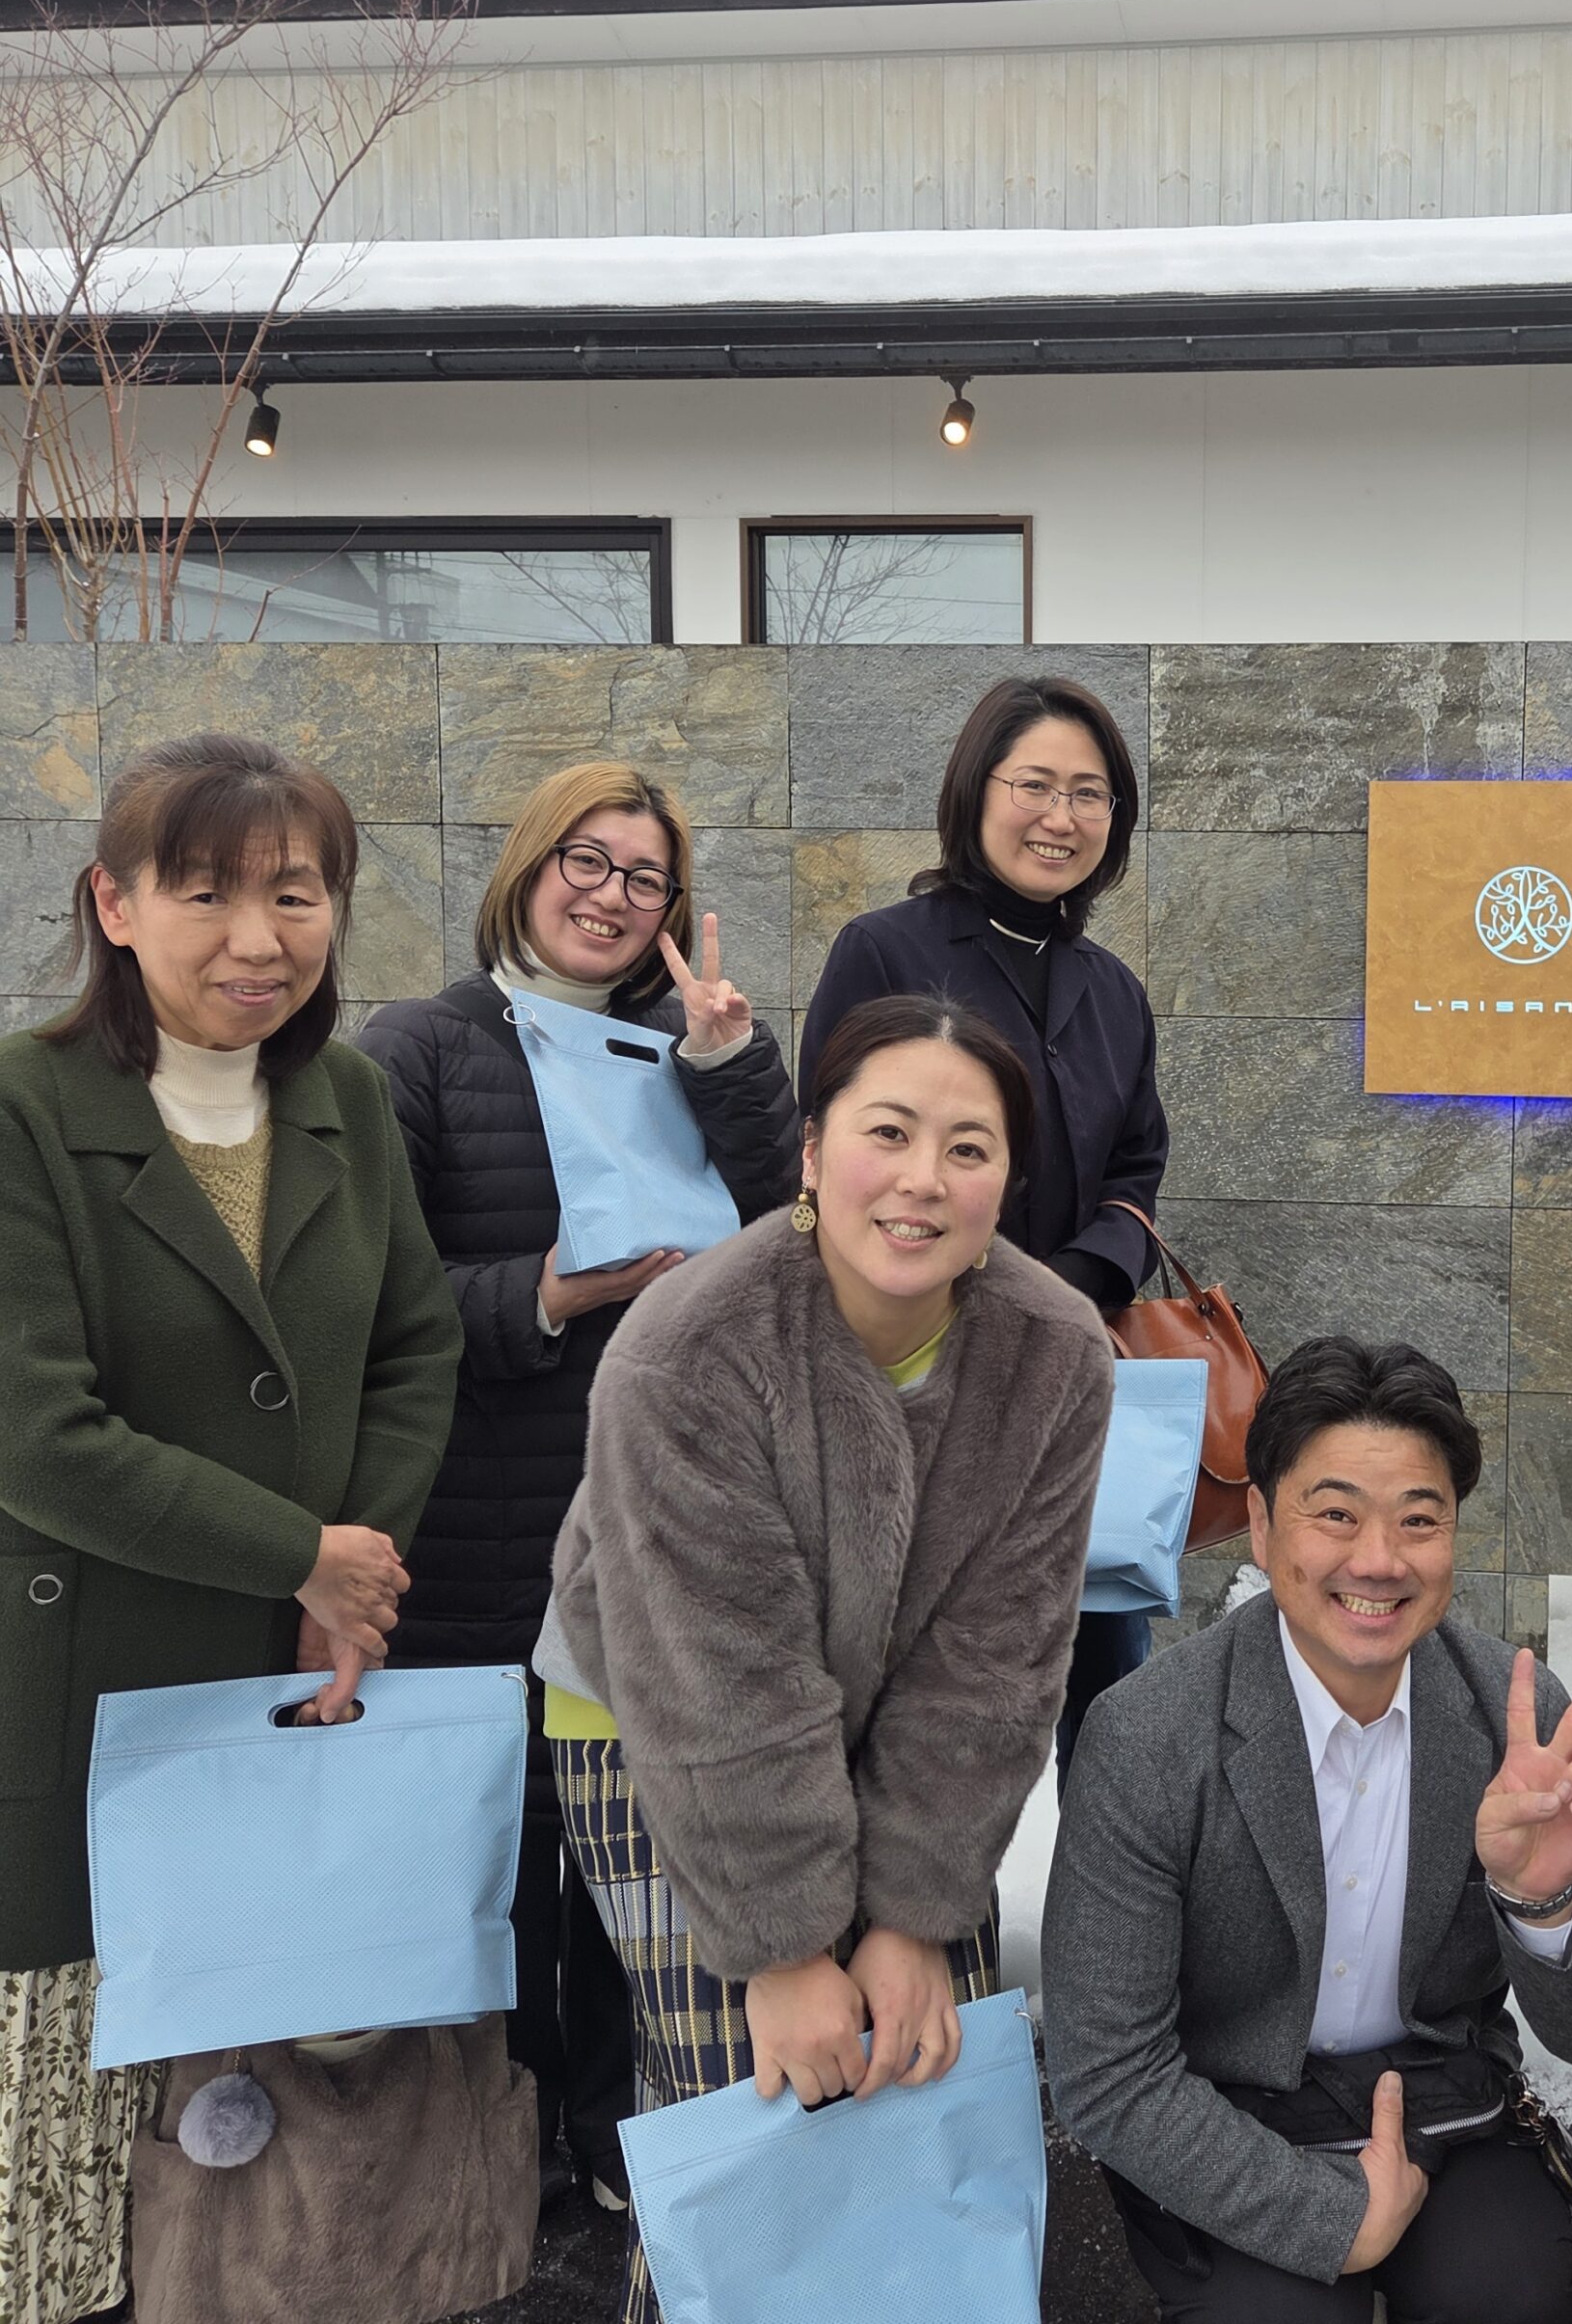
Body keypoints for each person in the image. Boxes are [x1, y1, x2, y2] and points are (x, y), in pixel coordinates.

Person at [533, 992, 1113, 2324]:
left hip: (906, 1718)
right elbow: (718, 1673)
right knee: (744, 2111)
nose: (922, 1180)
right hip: (658, 1720)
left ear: (1009, 1182)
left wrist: (912, 1916)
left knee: (916, 2070)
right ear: (810, 1149)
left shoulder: (1054, 1355)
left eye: (968, 1148)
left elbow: (998, 1658)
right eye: (887, 1132)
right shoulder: (689, 1346)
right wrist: (786, 1949)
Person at [0, 732, 461, 2324]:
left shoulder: (345, 1098)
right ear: (114, 905)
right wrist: (299, 1555)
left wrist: (352, 1574)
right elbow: (34, 1436)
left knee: (270, 2175)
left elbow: (415, 1348)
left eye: (296, 893)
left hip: (296, 1679)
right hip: (80, 1692)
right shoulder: (26, 1107)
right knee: (62, 2173)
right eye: (204, 893)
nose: (257, 938)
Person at [358, 761, 799, 2212]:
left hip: (647, 1514)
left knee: (635, 1842)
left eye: (645, 877)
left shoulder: (690, 1042)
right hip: (478, 1515)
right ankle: (491, 2143)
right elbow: (370, 1300)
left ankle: (618, 2124)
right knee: (493, 1849)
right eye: (587, 862)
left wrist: (734, 1065)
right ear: (530, 865)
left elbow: (788, 1234)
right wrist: (541, 1297)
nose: (612, 897)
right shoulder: (420, 1047)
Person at [1043, 1336, 1572, 2324]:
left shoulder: (1509, 1714)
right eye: (1334, 1514)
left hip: (1442, 2101)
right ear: (1259, 1523)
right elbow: (1106, 2070)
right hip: (1227, 2111)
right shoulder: (1149, 1736)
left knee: (1504, 2294)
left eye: (1419, 1519)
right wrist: (1335, 2217)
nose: (1378, 1560)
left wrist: (1538, 1901)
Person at [800, 675, 1165, 1777]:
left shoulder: (1114, 990)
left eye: (1089, 794)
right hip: (912, 1390)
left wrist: (1076, 1285)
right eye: (1035, 785)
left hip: (1063, 1384)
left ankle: (1109, 1890)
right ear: (977, 790)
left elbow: (1137, 1164)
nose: (1061, 817)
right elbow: (830, 1154)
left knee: (1111, 1706)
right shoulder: (886, 952)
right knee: (917, 1723)